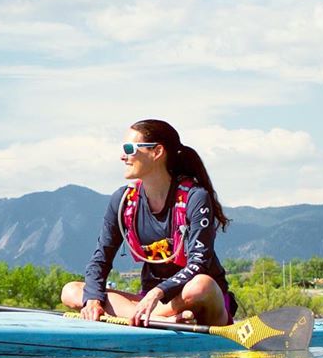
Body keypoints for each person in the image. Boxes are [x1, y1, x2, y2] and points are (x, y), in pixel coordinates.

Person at [61, 119, 237, 327]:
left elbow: (199, 264)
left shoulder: (195, 197)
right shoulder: (123, 200)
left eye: (129, 148)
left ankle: (153, 316)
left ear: (157, 152)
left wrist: (158, 292)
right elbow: (101, 259)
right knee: (71, 291)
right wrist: (92, 299)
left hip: (193, 298)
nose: (122, 156)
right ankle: (162, 320)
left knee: (200, 286)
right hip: (151, 304)